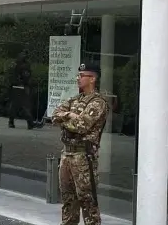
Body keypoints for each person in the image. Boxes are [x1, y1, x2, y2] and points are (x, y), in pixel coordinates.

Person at [52, 62, 109, 225]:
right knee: (68, 200)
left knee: (87, 201)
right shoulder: (74, 99)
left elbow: (82, 126)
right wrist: (70, 115)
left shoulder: (98, 103)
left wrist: (66, 119)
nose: (78, 78)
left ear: (92, 79)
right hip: (67, 154)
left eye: (82, 76)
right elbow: (55, 116)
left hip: (84, 156)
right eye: (78, 75)